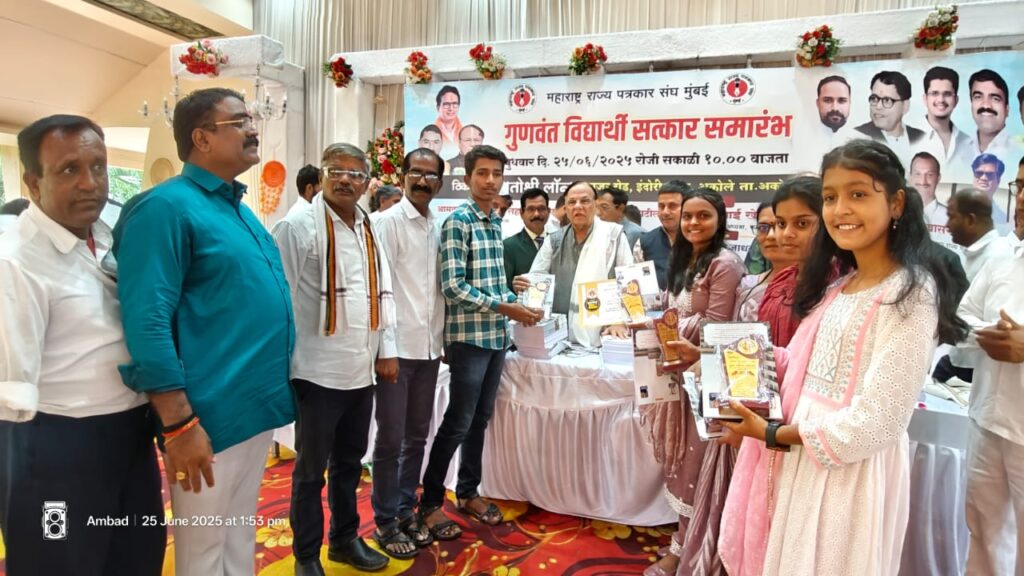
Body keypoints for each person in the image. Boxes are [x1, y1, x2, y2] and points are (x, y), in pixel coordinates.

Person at [718, 139, 967, 575]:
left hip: (847, 473)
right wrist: (725, 357)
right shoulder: (840, 286)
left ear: (896, 203)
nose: (840, 210)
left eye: (858, 194)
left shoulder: (908, 294)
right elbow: (804, 365)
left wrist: (773, 433)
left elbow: (878, 423)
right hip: (801, 458)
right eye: (831, 197)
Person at [113, 88, 297, 576]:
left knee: (238, 536)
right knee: (204, 552)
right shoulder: (164, 208)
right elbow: (147, 319)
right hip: (206, 418)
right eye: (240, 121)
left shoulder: (237, 208)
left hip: (253, 406)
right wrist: (179, 424)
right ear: (202, 138)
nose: (253, 129)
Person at [0, 115, 165, 575]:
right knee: (58, 563)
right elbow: (9, 395)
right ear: (33, 183)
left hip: (128, 436)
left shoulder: (105, 239)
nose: (91, 183)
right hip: (54, 449)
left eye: (98, 166)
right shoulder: (16, 262)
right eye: (69, 169)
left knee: (135, 559)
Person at [273, 142, 397, 575]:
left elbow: (380, 292)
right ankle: (306, 556)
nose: (345, 179)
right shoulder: (297, 226)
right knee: (310, 473)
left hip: (360, 371)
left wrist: (386, 350)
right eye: (336, 171)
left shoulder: (367, 225)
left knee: (349, 464)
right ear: (321, 176)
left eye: (355, 173)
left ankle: (344, 540)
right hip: (316, 372)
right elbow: (279, 300)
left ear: (366, 183)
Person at [419, 144, 542, 540]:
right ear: (467, 178)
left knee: (479, 421)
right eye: (483, 173)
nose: (490, 181)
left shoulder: (493, 222)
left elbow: (489, 284)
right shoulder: (458, 221)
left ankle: (468, 492)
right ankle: (429, 504)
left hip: (496, 339)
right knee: (457, 422)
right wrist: (506, 307)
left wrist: (515, 296)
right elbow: (453, 287)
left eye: (497, 174)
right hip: (469, 340)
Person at [640, 187, 744, 576]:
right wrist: (653, 320)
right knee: (683, 463)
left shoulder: (724, 264)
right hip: (679, 374)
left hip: (705, 378)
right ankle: (683, 540)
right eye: (688, 216)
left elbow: (718, 327)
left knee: (698, 466)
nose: (693, 223)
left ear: (720, 220)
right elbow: (672, 311)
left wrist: (667, 326)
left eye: (703, 216)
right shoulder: (687, 259)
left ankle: (688, 549)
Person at [371, 147, 447, 557]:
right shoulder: (386, 223)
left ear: (440, 182)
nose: (422, 180)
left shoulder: (439, 225)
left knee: (417, 435)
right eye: (415, 172)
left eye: (430, 175)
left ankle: (404, 510)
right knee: (390, 438)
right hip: (396, 352)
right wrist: (385, 348)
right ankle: (385, 520)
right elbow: (378, 290)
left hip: (429, 349)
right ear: (402, 176)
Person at [959, 224, 1024, 575]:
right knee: (983, 533)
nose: (1022, 200)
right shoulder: (1002, 259)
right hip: (987, 419)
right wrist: (990, 334)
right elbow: (962, 316)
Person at [514, 181, 634, 347]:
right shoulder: (554, 241)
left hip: (605, 332)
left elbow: (629, 282)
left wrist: (620, 322)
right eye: (572, 202)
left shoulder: (613, 236)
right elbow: (537, 277)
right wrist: (525, 287)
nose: (578, 206)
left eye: (585, 201)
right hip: (560, 335)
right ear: (566, 208)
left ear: (595, 205)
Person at [946, 188, 1016, 282]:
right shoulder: (977, 252)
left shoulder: (997, 257)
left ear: (971, 220)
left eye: (951, 217)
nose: (947, 225)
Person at [854, 71, 924, 163]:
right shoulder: (857, 137)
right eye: (874, 99)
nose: (878, 106)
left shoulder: (921, 137)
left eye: (887, 100)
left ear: (905, 106)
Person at [954, 69, 1015, 168]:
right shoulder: (958, 150)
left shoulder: (1017, 149)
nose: (986, 105)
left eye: (995, 98)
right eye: (978, 97)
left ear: (1007, 109)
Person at [636, 181, 688, 290]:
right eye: (661, 206)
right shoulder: (644, 242)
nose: (665, 212)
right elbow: (638, 283)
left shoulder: (700, 240)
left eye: (672, 206)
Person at [920, 66, 972, 164]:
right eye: (934, 93)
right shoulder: (910, 137)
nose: (941, 100)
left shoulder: (968, 143)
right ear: (925, 99)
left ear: (956, 100)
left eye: (947, 94)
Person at [503, 188, 550, 290]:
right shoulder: (508, 246)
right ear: (521, 213)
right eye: (531, 209)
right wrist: (513, 287)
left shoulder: (557, 243)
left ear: (548, 211)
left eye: (541, 209)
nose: (537, 214)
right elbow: (503, 286)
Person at [972, 153, 1011, 227]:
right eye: (979, 173)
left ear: (998, 180)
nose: (983, 178)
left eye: (989, 174)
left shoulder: (1002, 220)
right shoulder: (956, 207)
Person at [910, 151, 948, 228]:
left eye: (929, 175)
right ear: (910, 177)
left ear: (938, 178)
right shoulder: (896, 215)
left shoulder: (951, 219)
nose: (923, 181)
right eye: (918, 174)